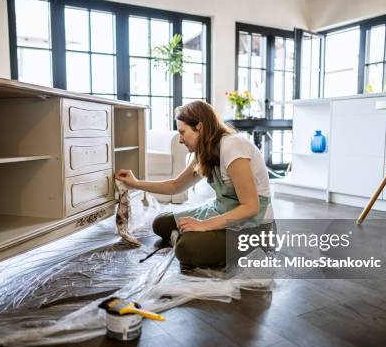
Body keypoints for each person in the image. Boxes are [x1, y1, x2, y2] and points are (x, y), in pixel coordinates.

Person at [115, 100, 275, 269]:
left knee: (187, 249)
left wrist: (204, 225)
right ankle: (202, 239)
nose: (180, 140)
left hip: (254, 224)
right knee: (160, 223)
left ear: (199, 127)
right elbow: (176, 185)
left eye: (182, 132)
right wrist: (136, 183)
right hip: (224, 209)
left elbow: (251, 207)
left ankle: (208, 241)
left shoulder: (233, 146)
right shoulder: (206, 151)